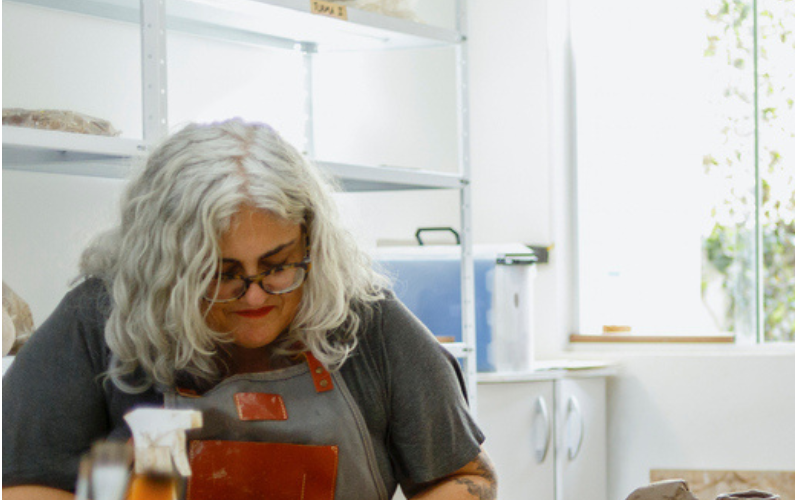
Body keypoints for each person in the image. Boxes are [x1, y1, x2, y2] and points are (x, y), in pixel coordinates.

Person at [2, 119, 497, 500]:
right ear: (164, 264)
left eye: (279, 266)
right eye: (222, 273)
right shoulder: (100, 319)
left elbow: (464, 474)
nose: (255, 296)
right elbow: (23, 483)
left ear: (312, 245)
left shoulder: (366, 322)